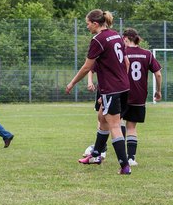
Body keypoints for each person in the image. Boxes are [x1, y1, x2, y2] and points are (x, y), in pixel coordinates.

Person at [65, 9, 131, 175]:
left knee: (114, 125)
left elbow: (87, 66)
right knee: (102, 118)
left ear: (95, 23)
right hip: (123, 86)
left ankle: (124, 166)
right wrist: (121, 77)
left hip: (111, 89)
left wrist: (72, 82)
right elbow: (126, 61)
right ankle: (95, 155)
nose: (87, 26)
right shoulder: (115, 35)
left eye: (87, 23)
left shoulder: (98, 40)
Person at [122, 28, 163, 166]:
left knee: (117, 123)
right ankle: (131, 158)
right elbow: (158, 74)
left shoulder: (122, 53)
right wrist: (158, 91)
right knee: (132, 127)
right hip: (139, 95)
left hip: (122, 93)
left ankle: (114, 154)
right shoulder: (147, 54)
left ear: (126, 38)